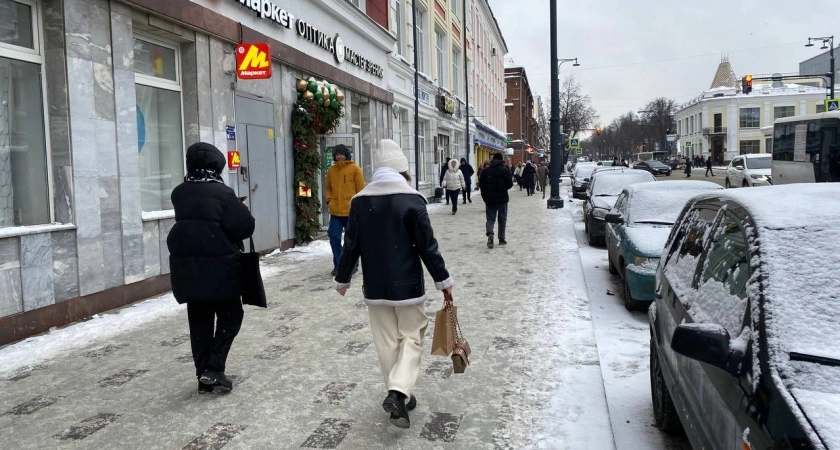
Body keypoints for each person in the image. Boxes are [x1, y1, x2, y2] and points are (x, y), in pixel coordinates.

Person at [334, 139, 453, 429]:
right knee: (412, 337)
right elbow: (428, 247)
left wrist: (343, 278)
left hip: (376, 287)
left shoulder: (360, 201)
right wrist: (443, 281)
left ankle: (399, 394)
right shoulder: (412, 200)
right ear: (402, 169)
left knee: (386, 341)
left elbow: (350, 246)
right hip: (408, 285)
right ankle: (399, 391)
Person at [167, 142, 256, 393]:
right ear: (216, 165)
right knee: (231, 316)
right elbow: (244, 226)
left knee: (199, 321)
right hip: (220, 268)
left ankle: (203, 374)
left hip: (188, 270)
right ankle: (213, 368)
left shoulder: (179, 192)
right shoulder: (222, 193)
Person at [326, 145, 365, 276]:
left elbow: (360, 190)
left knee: (352, 240)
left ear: (346, 154)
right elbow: (328, 188)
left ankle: (353, 264)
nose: (339, 156)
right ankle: (339, 264)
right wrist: (329, 200)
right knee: (333, 236)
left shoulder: (355, 169)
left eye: (341, 154)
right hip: (336, 211)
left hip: (350, 211)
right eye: (336, 154)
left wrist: (358, 207)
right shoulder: (331, 170)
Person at [479, 153, 513, 248]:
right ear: (501, 160)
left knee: (490, 218)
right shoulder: (505, 170)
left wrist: (484, 197)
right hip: (502, 199)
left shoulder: (486, 171)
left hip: (489, 199)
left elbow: (482, 186)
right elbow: (509, 184)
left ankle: (490, 233)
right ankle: (501, 239)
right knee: (502, 219)